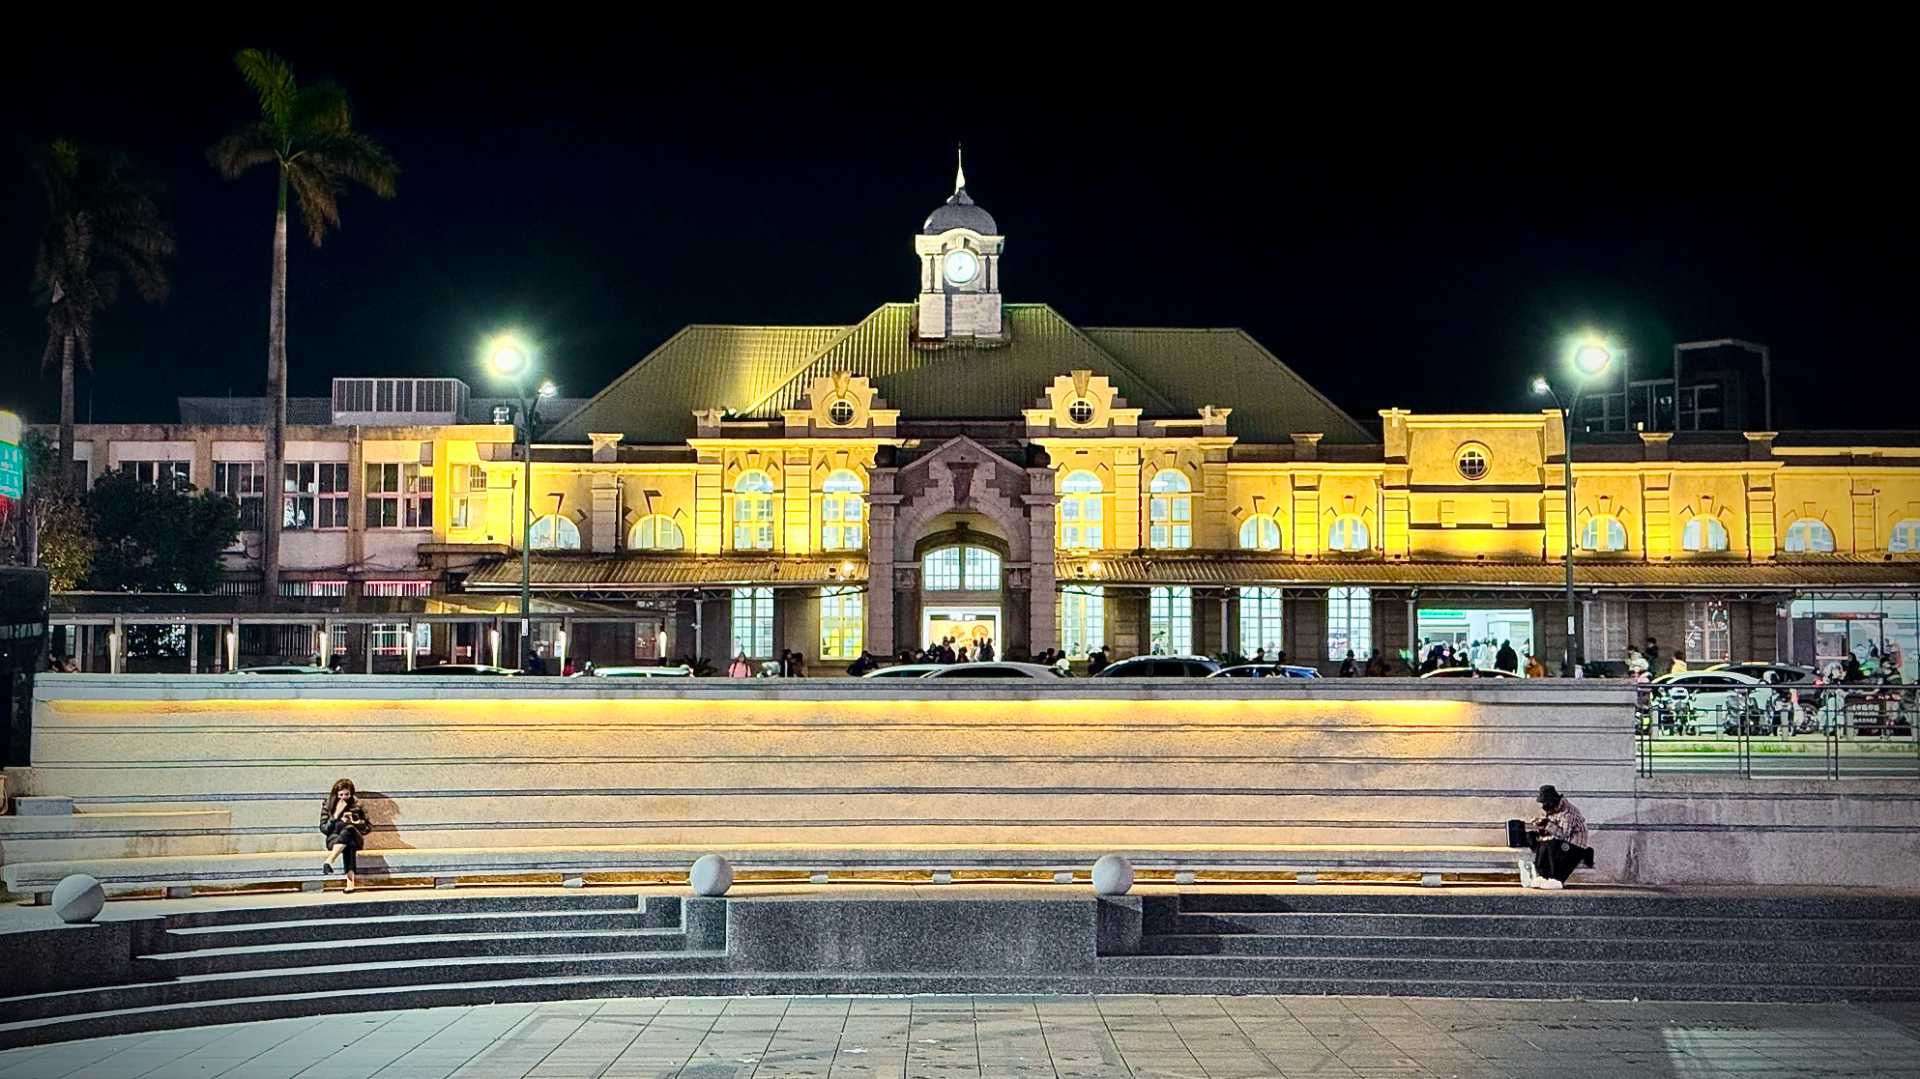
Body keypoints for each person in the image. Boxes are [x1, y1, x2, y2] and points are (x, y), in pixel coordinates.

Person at [1522, 785, 1591, 890]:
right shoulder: (1553, 810)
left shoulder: (1568, 813)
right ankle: (1542, 876)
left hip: (1574, 847)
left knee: (1550, 843)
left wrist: (1547, 824)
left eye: (1546, 803)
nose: (1544, 806)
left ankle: (1556, 878)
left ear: (1553, 802)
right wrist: (1541, 829)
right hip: (1559, 845)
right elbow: (1552, 831)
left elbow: (1563, 834)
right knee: (1534, 838)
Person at [320, 778, 372, 894]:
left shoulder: (357, 804)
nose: (344, 797)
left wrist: (355, 822)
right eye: (341, 795)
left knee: (349, 829)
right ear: (336, 794)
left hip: (355, 834)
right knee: (349, 844)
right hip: (334, 838)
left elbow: (368, 827)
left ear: (351, 793)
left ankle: (329, 860)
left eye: (347, 794)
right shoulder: (328, 805)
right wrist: (336, 816)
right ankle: (350, 884)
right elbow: (324, 829)